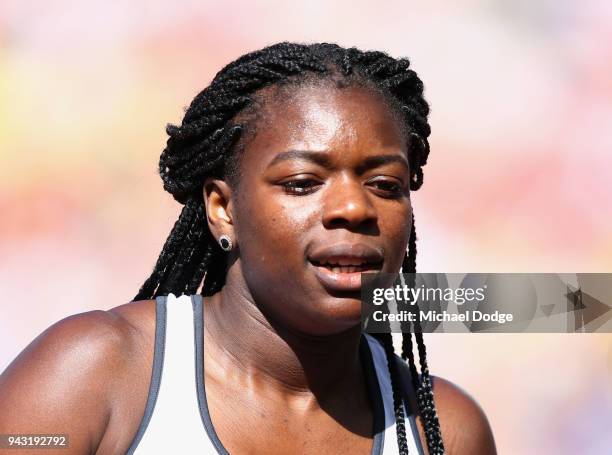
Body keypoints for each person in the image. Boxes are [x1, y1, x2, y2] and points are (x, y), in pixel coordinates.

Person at [0, 42, 496, 454]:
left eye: (386, 185)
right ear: (223, 208)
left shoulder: (444, 430)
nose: (354, 207)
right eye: (303, 182)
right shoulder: (93, 375)